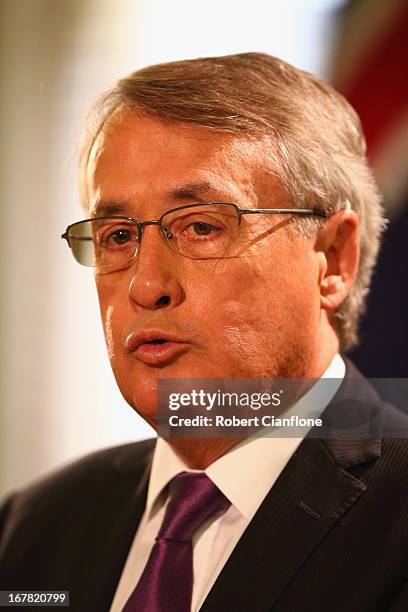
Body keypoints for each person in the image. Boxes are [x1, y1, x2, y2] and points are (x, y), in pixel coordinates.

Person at [1, 52, 408, 612]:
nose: (147, 285)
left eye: (199, 227)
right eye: (118, 236)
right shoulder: (30, 527)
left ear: (332, 259)